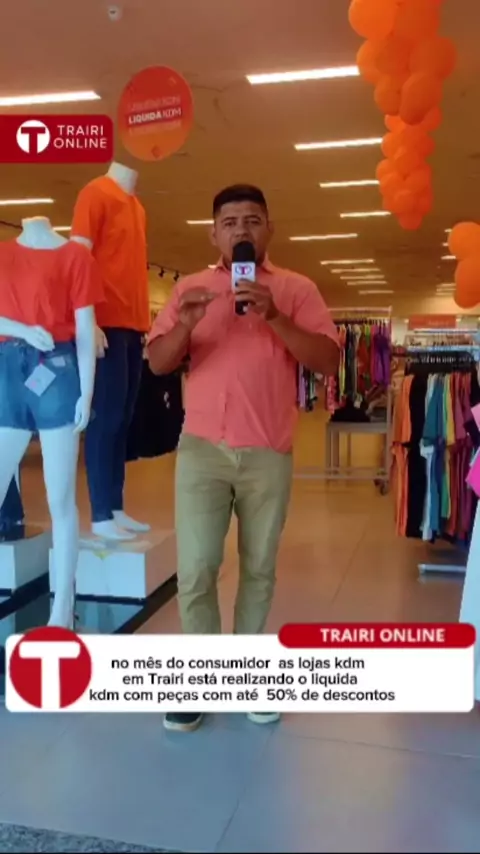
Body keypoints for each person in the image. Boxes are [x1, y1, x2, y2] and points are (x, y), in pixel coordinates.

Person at [148, 184, 340, 732]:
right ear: (214, 234)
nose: (241, 230)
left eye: (252, 220)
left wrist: (275, 316)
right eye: (230, 222)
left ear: (268, 230)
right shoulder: (189, 289)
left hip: (268, 452)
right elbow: (158, 363)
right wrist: (184, 324)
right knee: (197, 569)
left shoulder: (297, 289)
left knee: (258, 568)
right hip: (202, 450)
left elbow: (329, 360)